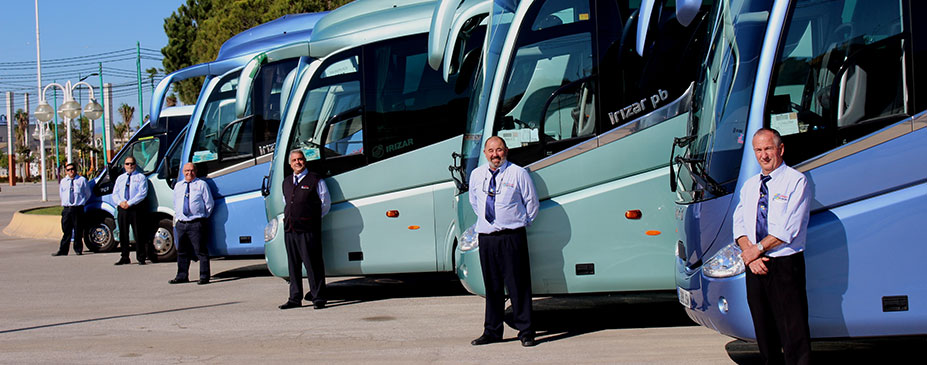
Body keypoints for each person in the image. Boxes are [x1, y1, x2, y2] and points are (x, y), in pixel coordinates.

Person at [734, 128, 812, 365]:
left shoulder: (796, 181)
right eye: (758, 150)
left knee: (793, 332)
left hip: (784, 265)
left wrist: (756, 249)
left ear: (780, 149)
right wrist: (751, 255)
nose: (763, 155)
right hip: (755, 266)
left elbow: (789, 229)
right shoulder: (749, 185)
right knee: (764, 330)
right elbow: (739, 225)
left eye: (768, 148)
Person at [467, 136, 539, 347]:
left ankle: (526, 331)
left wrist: (517, 222)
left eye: (499, 150)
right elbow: (475, 202)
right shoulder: (476, 175)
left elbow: (531, 203)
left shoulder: (518, 173)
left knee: (518, 285)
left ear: (505, 151)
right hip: (487, 238)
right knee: (493, 287)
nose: (495, 155)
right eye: (491, 151)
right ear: (485, 153)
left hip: (512, 237)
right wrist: (491, 222)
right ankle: (492, 331)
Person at [278, 149, 331, 310]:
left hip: (308, 230)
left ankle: (318, 297)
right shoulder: (286, 182)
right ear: (290, 163)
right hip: (290, 230)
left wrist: (311, 219)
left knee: (313, 264)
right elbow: (286, 202)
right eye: (294, 160)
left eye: (300, 159)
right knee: (293, 266)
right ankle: (294, 298)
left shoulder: (315, 179)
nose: (297, 163)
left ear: (305, 161)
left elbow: (325, 204)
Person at [169, 163, 214, 285]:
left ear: (196, 171)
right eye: (186, 171)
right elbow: (175, 203)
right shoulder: (178, 186)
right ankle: (182, 276)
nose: (189, 173)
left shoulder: (201, 185)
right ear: (183, 172)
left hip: (196, 223)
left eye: (192, 170)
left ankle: (204, 276)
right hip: (181, 224)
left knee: (201, 251)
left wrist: (202, 218)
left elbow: (209, 203)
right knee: (182, 251)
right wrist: (178, 218)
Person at [112, 156, 154, 265]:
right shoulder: (120, 178)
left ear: (135, 165)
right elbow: (115, 193)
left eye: (132, 163)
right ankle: (124, 256)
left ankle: (141, 257)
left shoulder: (141, 177)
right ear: (124, 165)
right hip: (122, 208)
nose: (129, 166)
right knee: (123, 233)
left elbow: (142, 193)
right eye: (127, 164)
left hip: (136, 208)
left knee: (138, 233)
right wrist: (121, 202)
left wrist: (129, 203)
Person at [53, 162, 91, 256]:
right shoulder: (63, 181)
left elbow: (87, 193)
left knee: (78, 230)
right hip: (67, 209)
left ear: (76, 170)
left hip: (77, 208)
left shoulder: (81, 180)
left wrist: (81, 202)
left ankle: (78, 249)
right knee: (66, 230)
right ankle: (63, 250)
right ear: (66, 171)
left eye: (72, 169)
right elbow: (61, 194)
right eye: (68, 170)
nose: (71, 171)